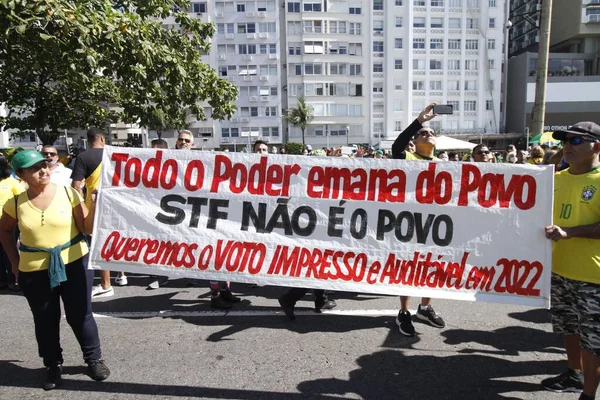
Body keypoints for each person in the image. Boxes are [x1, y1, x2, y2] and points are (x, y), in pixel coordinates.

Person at [0, 150, 110, 390]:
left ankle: (94, 360)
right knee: (45, 319)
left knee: (80, 315)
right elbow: (5, 231)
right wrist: (14, 261)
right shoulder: (15, 203)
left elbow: (87, 228)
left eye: (44, 164)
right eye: (34, 168)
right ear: (20, 175)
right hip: (34, 270)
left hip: (75, 263)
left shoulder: (68, 192)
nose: (43, 170)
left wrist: (93, 202)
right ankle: (53, 365)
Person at [542, 122, 600, 400]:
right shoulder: (557, 178)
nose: (568, 144)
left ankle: (588, 395)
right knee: (568, 328)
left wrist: (569, 233)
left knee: (593, 341)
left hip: (593, 276)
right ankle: (573, 373)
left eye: (577, 140)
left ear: (597, 146)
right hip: (559, 271)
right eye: (564, 140)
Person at [390, 102, 446, 337]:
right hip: (410, 224)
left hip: (435, 224)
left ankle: (425, 307)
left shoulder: (444, 166)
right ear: (416, 139)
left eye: (432, 133)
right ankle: (404, 311)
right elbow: (397, 145)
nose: (429, 134)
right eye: (424, 133)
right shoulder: (407, 158)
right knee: (407, 268)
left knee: (432, 266)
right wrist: (420, 121)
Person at [72, 128, 127, 297]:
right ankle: (122, 275)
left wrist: (80, 206)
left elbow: (76, 186)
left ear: (88, 140)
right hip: (120, 204)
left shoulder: (83, 157)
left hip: (96, 205)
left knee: (101, 243)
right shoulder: (118, 155)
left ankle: (105, 284)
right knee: (118, 239)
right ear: (102, 138)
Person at [147, 139, 170, 290]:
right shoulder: (147, 167)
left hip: (175, 210)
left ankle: (191, 275)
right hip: (157, 211)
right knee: (159, 243)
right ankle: (160, 276)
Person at [0, 158, 24, 290]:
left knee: (8, 251)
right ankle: (1, 280)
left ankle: (12, 280)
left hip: (9, 222)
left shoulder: (11, 182)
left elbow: (21, 198)